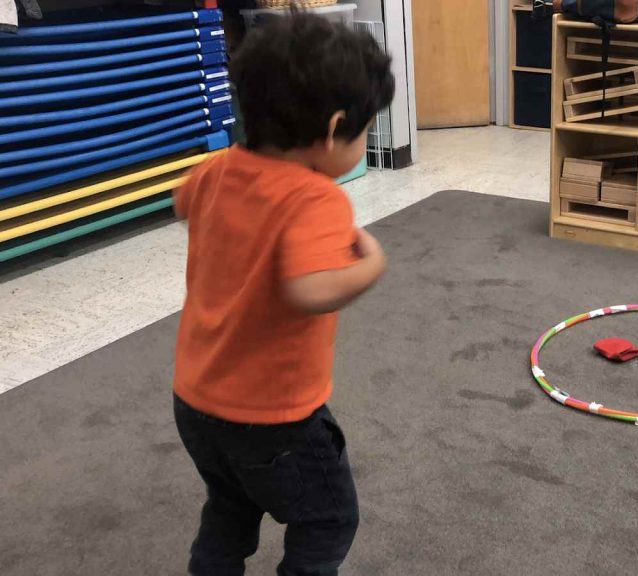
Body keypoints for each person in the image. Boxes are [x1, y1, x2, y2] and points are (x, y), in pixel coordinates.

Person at [171, 12, 394, 576]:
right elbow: (310, 288)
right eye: (365, 130)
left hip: (197, 401)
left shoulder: (218, 169)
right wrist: (371, 263)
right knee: (328, 518)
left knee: (230, 507)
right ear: (334, 127)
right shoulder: (316, 199)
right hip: (273, 417)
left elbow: (181, 203)